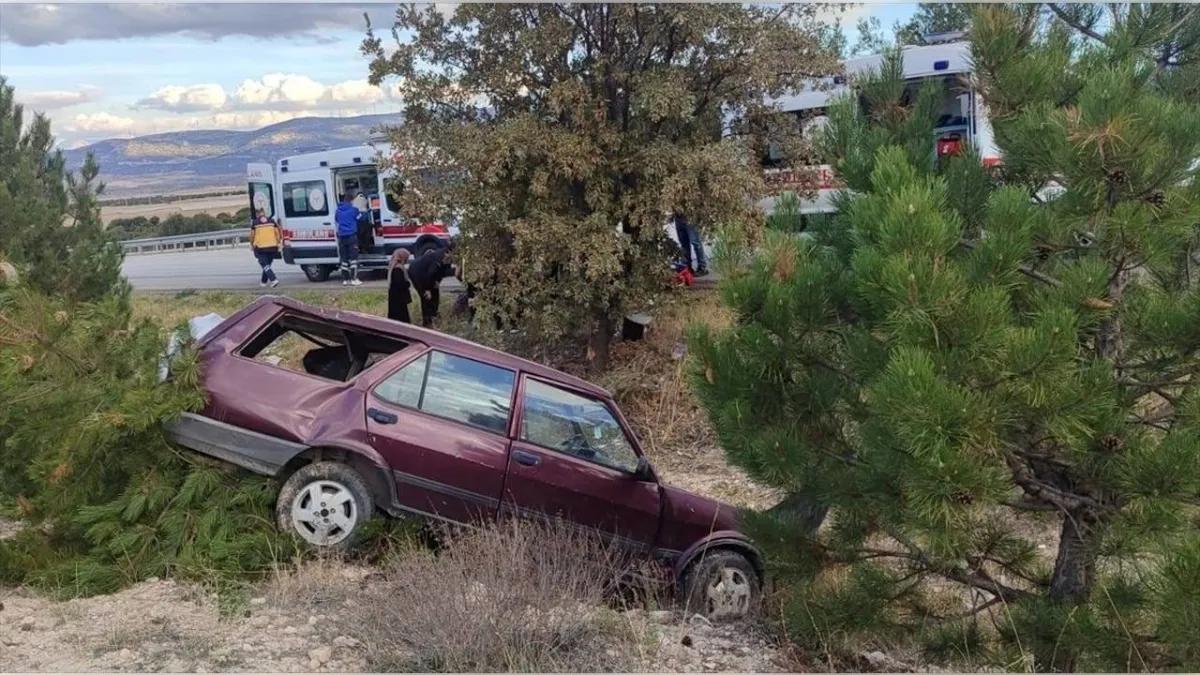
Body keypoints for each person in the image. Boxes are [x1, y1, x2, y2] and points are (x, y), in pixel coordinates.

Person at [408, 247, 457, 328]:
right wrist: (427, 289)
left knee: (435, 294)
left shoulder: (448, 256)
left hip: (429, 274)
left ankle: (434, 315)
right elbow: (432, 272)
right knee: (426, 297)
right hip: (417, 272)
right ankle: (427, 322)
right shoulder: (441, 257)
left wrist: (438, 282)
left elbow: (443, 271)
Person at [335, 193, 364, 286]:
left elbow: (337, 220)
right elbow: (360, 218)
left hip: (342, 236)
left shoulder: (338, 210)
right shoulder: (353, 209)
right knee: (353, 259)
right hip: (351, 236)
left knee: (344, 259)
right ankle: (354, 279)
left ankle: (345, 280)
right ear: (351, 201)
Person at [250, 208, 282, 288]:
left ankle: (273, 279)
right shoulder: (272, 221)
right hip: (273, 247)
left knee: (263, 263)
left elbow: (252, 235)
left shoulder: (255, 222)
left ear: (257, 214)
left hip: (261, 247)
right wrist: (278, 243)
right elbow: (277, 233)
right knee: (267, 265)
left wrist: (251, 244)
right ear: (264, 213)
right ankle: (263, 282)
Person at [672, 212, 708, 276]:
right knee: (684, 243)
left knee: (695, 242)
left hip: (690, 216)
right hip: (678, 217)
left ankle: (702, 267)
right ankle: (687, 267)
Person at [387, 248, 413, 323]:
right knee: (401, 319)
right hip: (399, 300)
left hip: (394, 298)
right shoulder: (398, 269)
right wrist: (407, 284)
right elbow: (400, 284)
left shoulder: (393, 266)